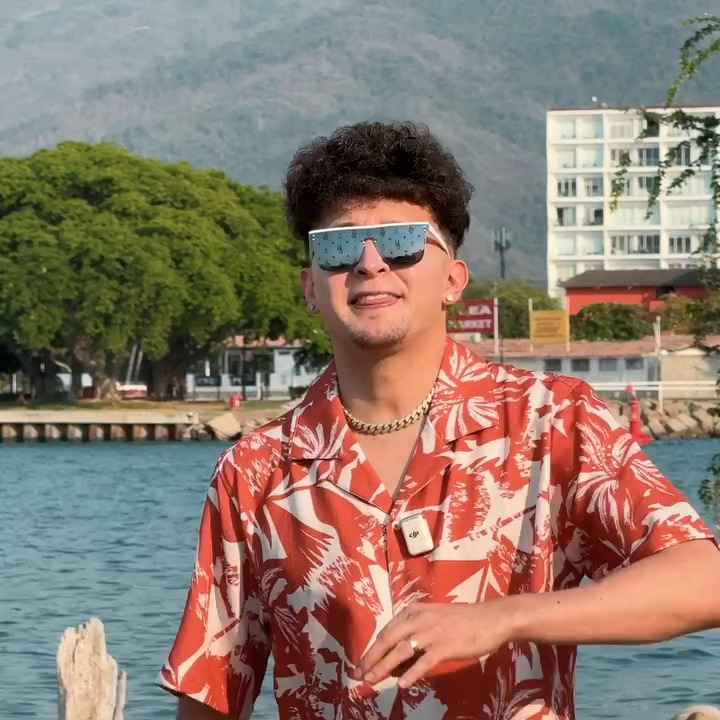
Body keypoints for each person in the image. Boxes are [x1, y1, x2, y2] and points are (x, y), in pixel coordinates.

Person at [158, 121, 720, 720]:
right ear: (310, 288)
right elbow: (212, 693)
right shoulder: (254, 472)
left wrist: (506, 618)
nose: (370, 263)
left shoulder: (550, 421)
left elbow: (703, 580)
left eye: (400, 242)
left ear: (453, 279)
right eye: (339, 247)